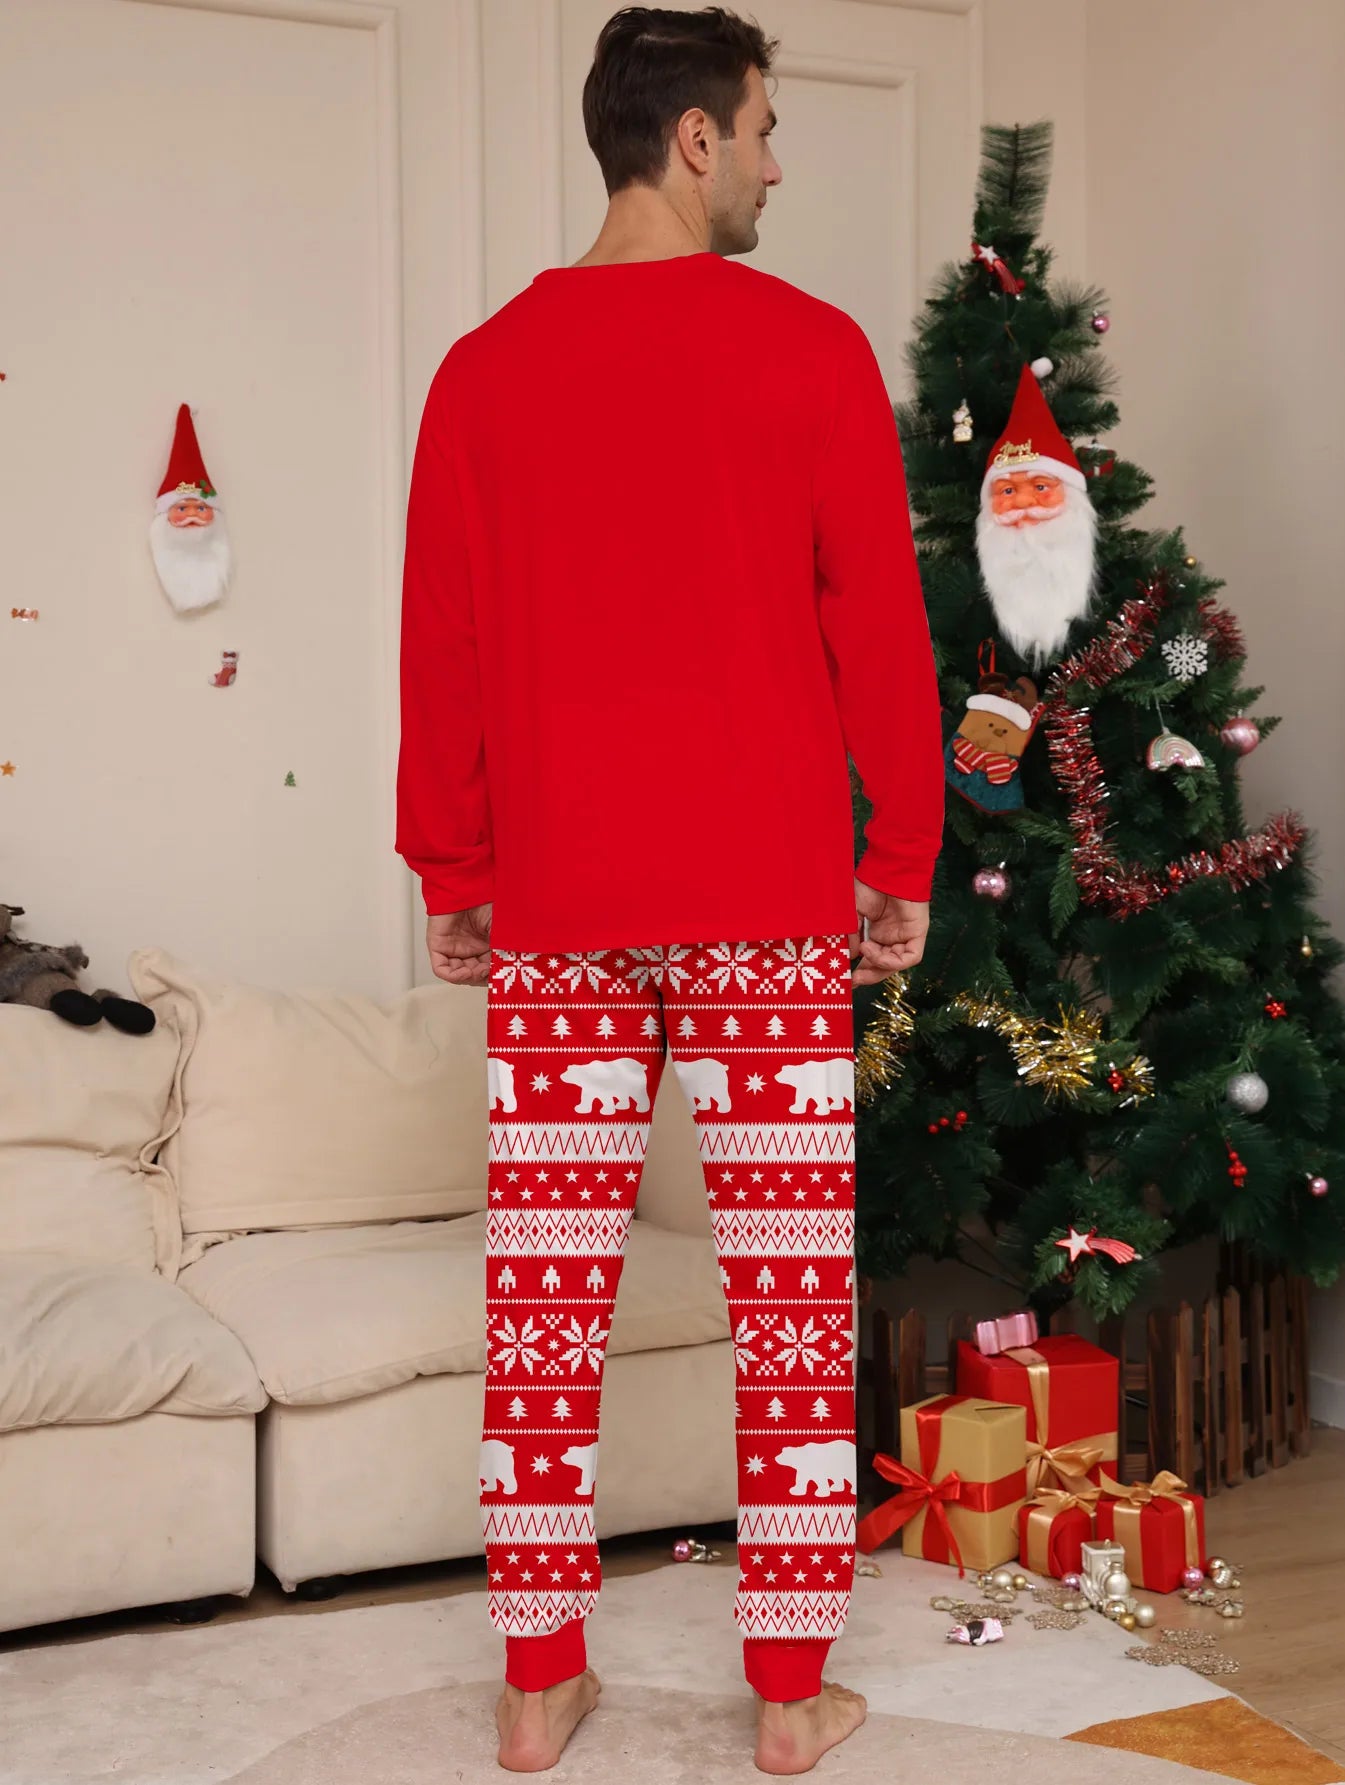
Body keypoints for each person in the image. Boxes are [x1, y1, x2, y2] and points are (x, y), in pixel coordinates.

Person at [394, 5, 944, 1772]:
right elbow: (880, 629)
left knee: (540, 1304)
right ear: (692, 137)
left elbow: (445, 653)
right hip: (770, 910)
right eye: (768, 128)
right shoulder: (811, 353)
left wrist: (453, 867)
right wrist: (902, 855)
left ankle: (539, 1681)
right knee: (789, 1305)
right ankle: (787, 1706)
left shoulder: (482, 372)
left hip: (559, 912)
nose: (780, 162)